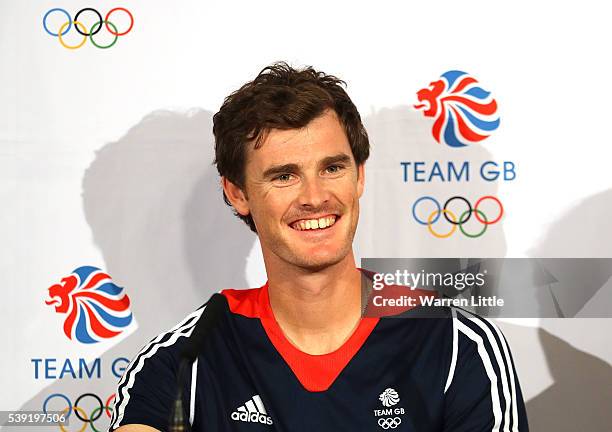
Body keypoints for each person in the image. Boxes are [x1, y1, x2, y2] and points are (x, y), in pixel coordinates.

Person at [108, 62, 529, 431]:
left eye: (332, 168)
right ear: (237, 194)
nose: (314, 196)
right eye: (284, 176)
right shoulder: (187, 356)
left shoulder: (457, 344)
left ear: (359, 177)